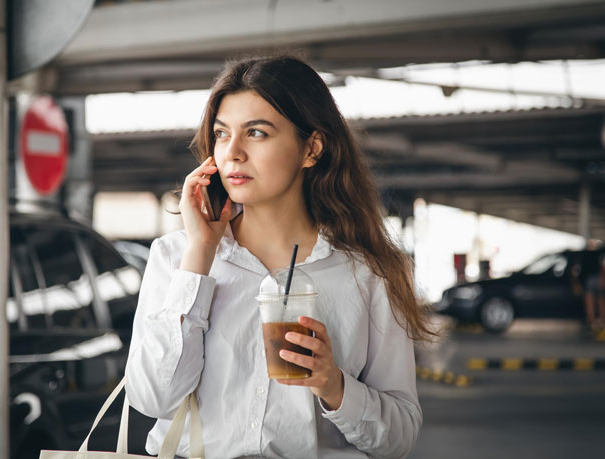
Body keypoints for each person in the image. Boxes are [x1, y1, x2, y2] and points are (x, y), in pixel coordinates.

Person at [125, 55, 434, 459]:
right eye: (221, 134)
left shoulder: (367, 272)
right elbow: (152, 400)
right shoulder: (175, 257)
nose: (232, 153)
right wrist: (199, 257)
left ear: (311, 148)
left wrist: (335, 386)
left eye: (256, 133)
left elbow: (400, 436)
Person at [584, 255, 605, 331]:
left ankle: (597, 321)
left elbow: (602, 265)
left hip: (594, 279)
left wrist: (602, 278)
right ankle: (594, 321)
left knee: (600, 298)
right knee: (599, 298)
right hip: (591, 279)